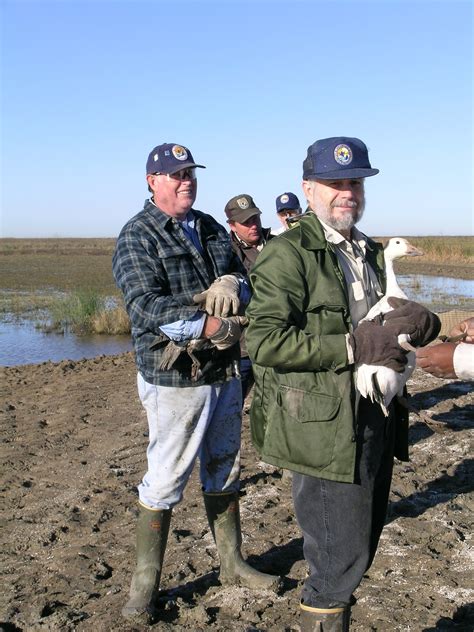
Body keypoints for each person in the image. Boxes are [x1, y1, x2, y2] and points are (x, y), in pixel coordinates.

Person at [245, 137, 440, 631]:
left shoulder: (369, 252)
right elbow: (263, 342)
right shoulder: (287, 255)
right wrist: (352, 347)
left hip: (374, 413)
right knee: (337, 563)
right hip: (322, 429)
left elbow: (387, 323)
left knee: (360, 546)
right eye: (334, 184)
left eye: (354, 182)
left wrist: (425, 325)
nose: (346, 193)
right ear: (308, 190)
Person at [112, 143, 279, 623]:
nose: (186, 181)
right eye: (176, 174)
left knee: (224, 467)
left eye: (190, 173)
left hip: (225, 371)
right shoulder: (137, 236)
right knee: (165, 478)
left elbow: (239, 273)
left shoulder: (207, 225)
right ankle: (144, 589)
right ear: (152, 181)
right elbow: (145, 305)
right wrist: (210, 325)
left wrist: (232, 284)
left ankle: (231, 563)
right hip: (175, 377)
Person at [224, 193, 273, 400]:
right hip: (242, 348)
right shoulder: (225, 252)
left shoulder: (279, 245)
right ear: (232, 226)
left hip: (276, 344)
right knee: (232, 404)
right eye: (246, 222)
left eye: (255, 218)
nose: (253, 225)